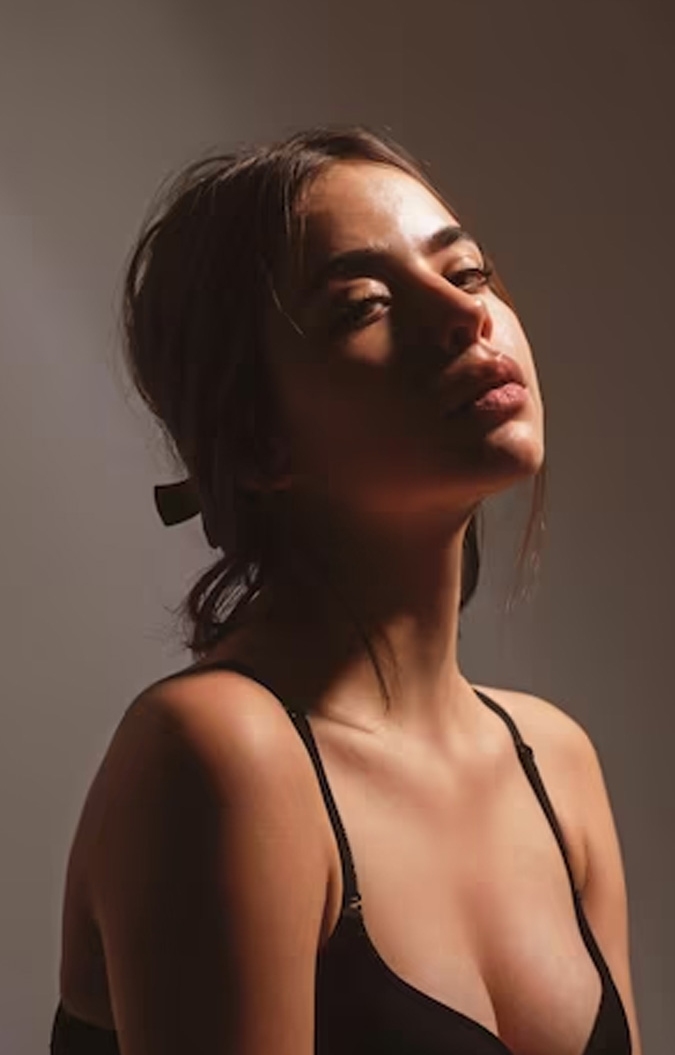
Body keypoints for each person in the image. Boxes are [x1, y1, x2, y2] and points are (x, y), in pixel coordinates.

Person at [50, 125, 643, 1054]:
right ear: (257, 439)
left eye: (470, 272)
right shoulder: (223, 756)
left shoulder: (555, 763)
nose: (464, 313)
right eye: (363, 305)